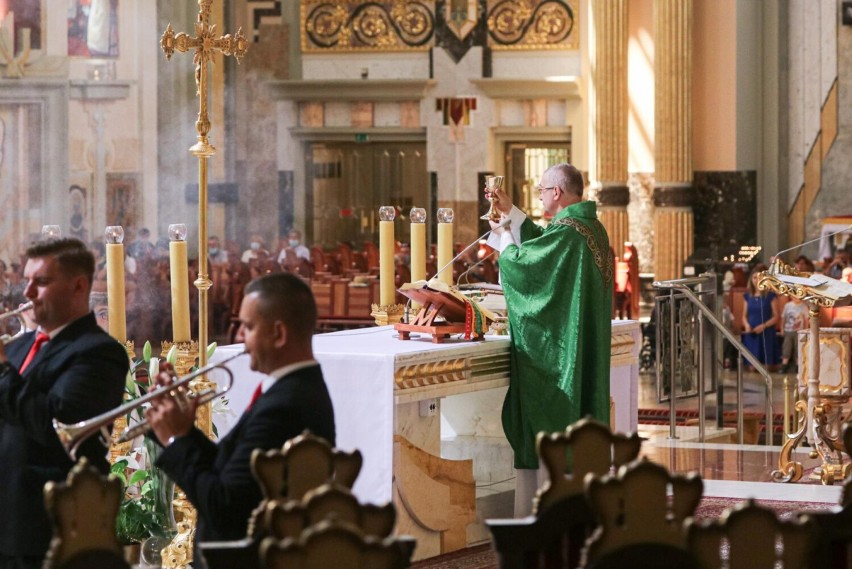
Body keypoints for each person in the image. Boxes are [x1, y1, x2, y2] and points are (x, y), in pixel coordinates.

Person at [145, 272, 336, 554]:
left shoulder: (284, 406)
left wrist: (178, 440)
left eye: (247, 327)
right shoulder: (295, 390)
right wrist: (184, 430)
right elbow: (232, 475)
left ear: (279, 333)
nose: (238, 337)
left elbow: (224, 507)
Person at [485, 163, 613, 517]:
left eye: (541, 189)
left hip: (558, 362)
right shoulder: (589, 229)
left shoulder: (571, 233)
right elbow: (545, 243)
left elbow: (526, 267)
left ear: (557, 192)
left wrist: (506, 240)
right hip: (584, 354)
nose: (539, 194)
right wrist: (511, 214)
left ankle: (543, 516)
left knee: (549, 420)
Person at [0, 238, 129, 568]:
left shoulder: (98, 352)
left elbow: (54, 425)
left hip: (44, 525)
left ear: (78, 286)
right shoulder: (19, 346)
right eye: (26, 280)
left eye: (41, 282)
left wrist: (1, 371)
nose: (27, 293)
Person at [741, 265, 780, 369]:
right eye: (754, 277)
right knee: (751, 367)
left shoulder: (770, 295)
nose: (756, 280)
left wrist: (764, 326)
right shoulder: (748, 296)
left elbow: (776, 316)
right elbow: (744, 316)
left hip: (766, 332)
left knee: (766, 367)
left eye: (759, 277)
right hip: (752, 332)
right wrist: (746, 325)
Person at [780, 296, 808, 373]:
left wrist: (806, 331)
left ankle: (798, 366)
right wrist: (782, 329)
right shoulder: (788, 305)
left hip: (799, 332)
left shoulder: (804, 306)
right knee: (786, 347)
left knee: (798, 348)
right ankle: (784, 365)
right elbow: (783, 318)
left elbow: (806, 320)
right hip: (788, 330)